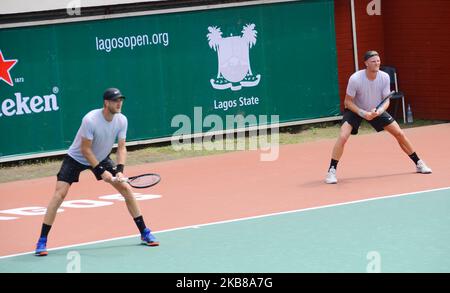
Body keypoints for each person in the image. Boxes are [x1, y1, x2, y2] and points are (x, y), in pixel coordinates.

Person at [35, 88, 159, 256]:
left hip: (101, 157)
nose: (119, 103)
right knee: (59, 194)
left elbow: (122, 147)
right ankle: (42, 240)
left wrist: (120, 171)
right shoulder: (90, 120)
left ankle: (144, 232)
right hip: (76, 158)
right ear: (106, 102)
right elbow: (85, 150)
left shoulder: (122, 120)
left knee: (126, 189)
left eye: (121, 100)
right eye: (116, 100)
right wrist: (102, 172)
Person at [325, 50, 432, 184]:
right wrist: (364, 113)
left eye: (378, 61)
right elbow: (348, 102)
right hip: (356, 110)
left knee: (399, 133)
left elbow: (386, 100)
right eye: (373, 61)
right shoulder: (355, 79)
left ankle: (419, 163)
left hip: (376, 109)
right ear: (366, 64)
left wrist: (379, 111)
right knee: (343, 137)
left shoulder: (385, 77)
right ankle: (331, 171)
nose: (376, 63)